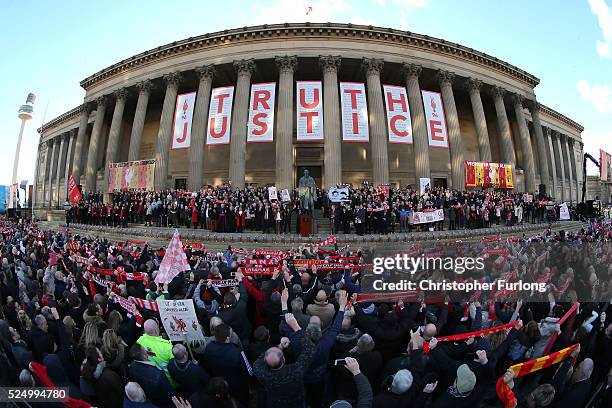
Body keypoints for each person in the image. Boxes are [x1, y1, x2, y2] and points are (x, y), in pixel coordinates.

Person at [254, 313, 316, 408]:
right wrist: (296, 327)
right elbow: (310, 349)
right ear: (283, 359)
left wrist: (280, 346)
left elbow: (261, 360)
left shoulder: (260, 371)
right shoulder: (295, 371)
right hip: (296, 403)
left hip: (274, 403)